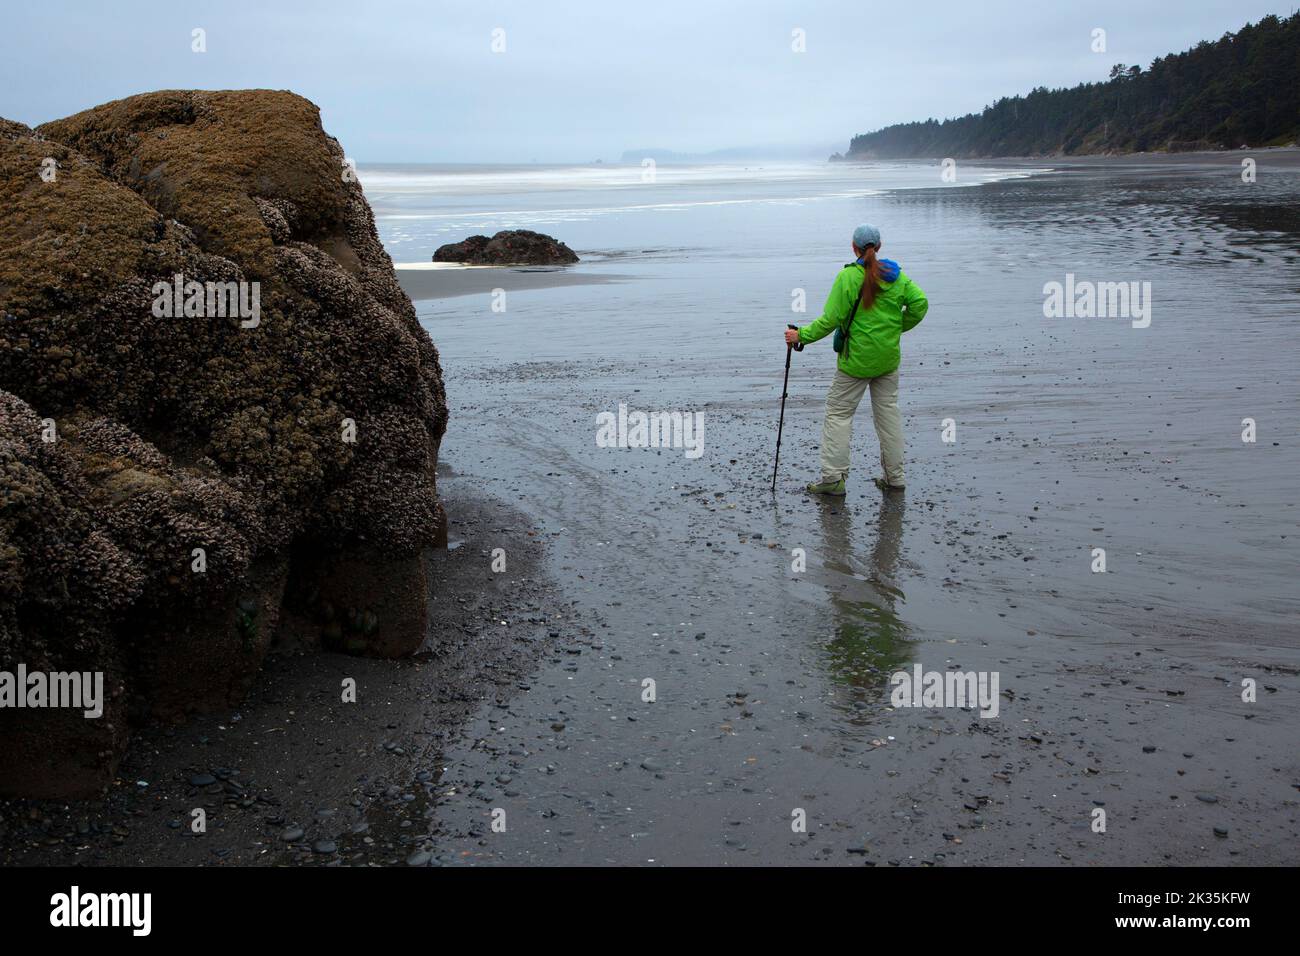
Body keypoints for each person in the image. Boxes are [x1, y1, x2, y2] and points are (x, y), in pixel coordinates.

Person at [784, 223, 928, 495]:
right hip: (887, 359)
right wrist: (894, 328)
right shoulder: (895, 275)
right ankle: (895, 479)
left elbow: (831, 320)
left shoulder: (848, 277)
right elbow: (920, 304)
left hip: (855, 363)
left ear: (854, 248)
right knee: (888, 416)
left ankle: (833, 480)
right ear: (879, 246)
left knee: (838, 414)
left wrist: (799, 335)